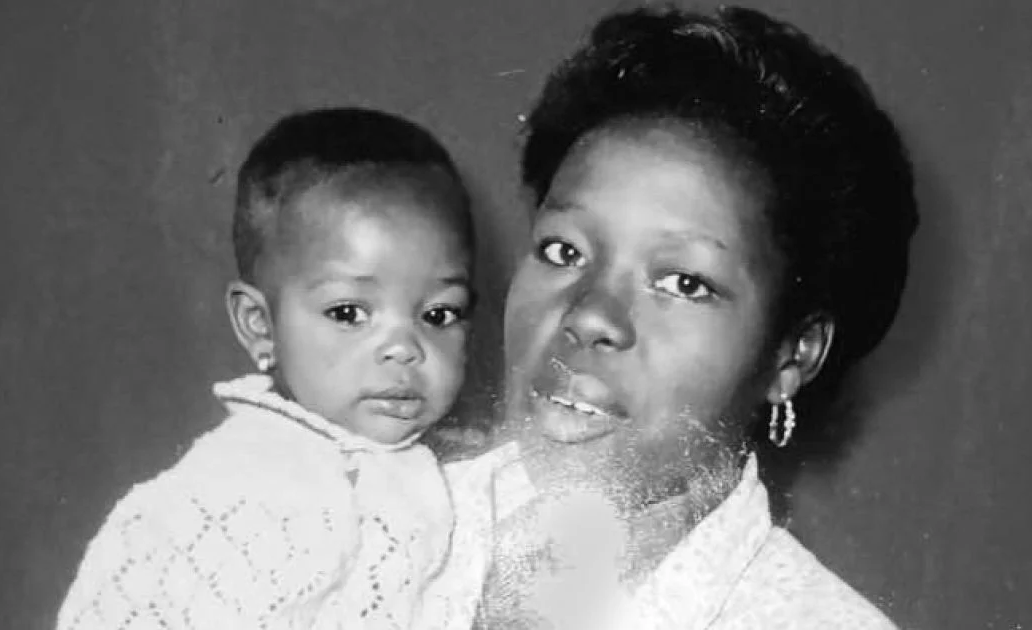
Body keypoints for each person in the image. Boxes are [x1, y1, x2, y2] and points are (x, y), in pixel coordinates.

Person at [419, 4, 918, 629]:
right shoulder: (366, 521)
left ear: (792, 355)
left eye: (683, 282)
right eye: (563, 250)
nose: (592, 315)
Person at [57, 107, 477, 629]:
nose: (403, 349)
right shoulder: (232, 497)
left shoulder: (454, 478)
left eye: (439, 314)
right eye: (348, 313)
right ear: (259, 325)